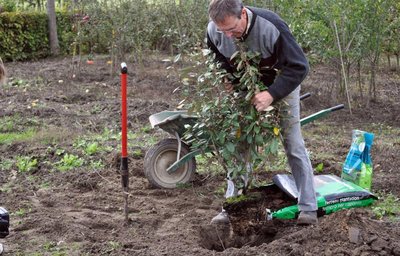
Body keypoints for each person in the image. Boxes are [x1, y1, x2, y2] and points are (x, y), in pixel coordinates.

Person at [207, 0, 318, 225]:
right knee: (240, 145)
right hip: (245, 88)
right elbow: (217, 57)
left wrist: (271, 94)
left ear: (244, 14)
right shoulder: (215, 31)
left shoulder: (271, 27)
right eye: (222, 30)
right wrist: (226, 78)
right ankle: (231, 206)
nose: (227, 35)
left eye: (231, 29)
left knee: (293, 143)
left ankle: (308, 207)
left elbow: (299, 67)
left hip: (281, 85)